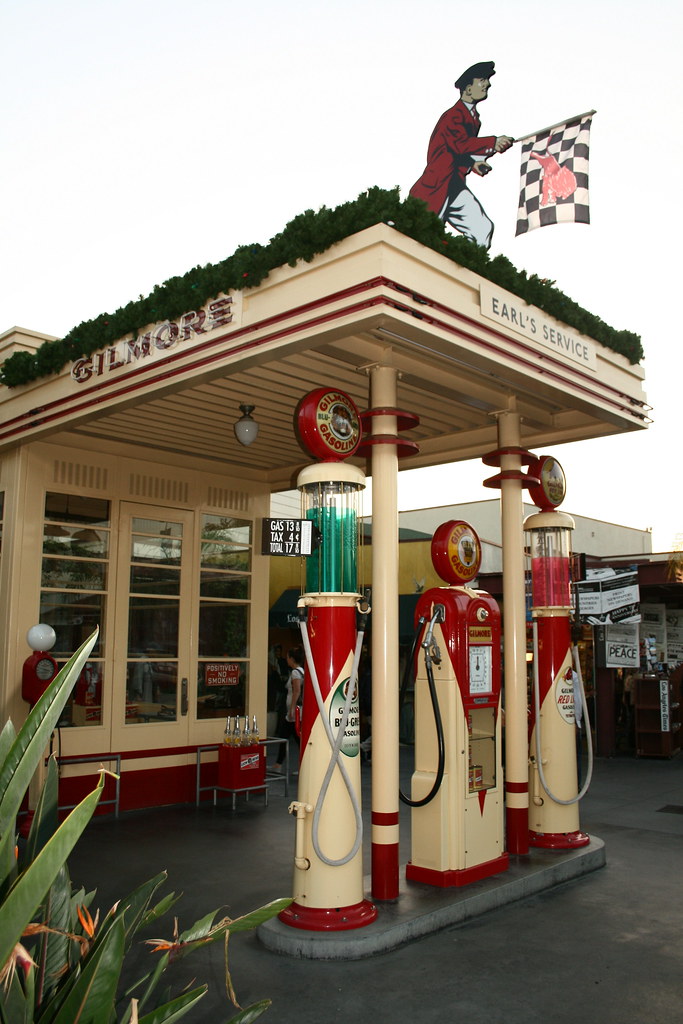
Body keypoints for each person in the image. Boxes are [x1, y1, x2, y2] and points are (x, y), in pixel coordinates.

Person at [410, 61, 514, 249]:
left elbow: (456, 150)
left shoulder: (473, 118)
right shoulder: (454, 115)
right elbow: (459, 144)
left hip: (453, 185)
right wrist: (493, 142)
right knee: (423, 238)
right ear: (467, 89)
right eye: (482, 80)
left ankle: (466, 267)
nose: (487, 84)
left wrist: (474, 164)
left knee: (482, 229)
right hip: (437, 186)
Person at [273, 646, 304, 772]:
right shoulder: (303, 671)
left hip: (294, 712)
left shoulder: (296, 672)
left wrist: (291, 709)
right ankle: (279, 764)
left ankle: (279, 765)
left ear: (292, 659)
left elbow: (296, 691)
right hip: (299, 711)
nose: (286, 660)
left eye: (287, 657)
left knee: (287, 737)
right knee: (293, 738)